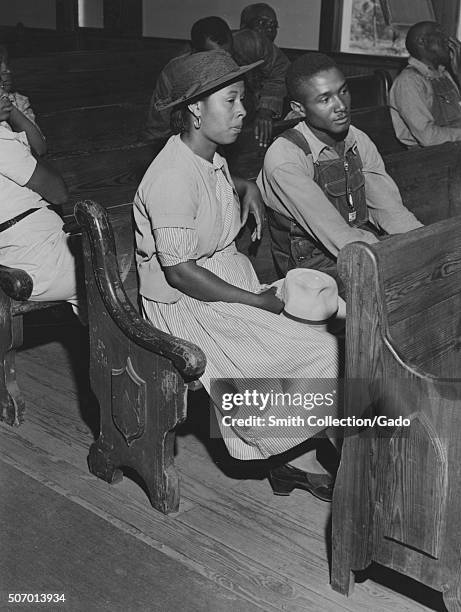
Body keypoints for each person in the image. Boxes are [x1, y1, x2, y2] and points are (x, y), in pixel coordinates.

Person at [134, 50, 342, 501]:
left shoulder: (208, 155)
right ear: (193, 109)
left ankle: (295, 454)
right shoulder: (170, 175)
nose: (243, 111)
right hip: (188, 304)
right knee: (321, 347)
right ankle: (304, 451)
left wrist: (245, 187)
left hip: (225, 280)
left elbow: (214, 188)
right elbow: (181, 272)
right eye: (230, 101)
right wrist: (257, 303)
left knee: (322, 332)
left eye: (242, 99)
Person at [257, 53, 423, 291]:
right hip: (311, 271)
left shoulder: (357, 139)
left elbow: (390, 211)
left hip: (357, 246)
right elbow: (338, 236)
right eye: (324, 99)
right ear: (298, 108)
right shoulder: (286, 158)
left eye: (343, 91)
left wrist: (425, 243)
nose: (341, 106)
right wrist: (398, 262)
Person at [143, 15, 289, 148]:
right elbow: (158, 128)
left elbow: (281, 70)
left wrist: (266, 109)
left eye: (228, 54)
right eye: (217, 57)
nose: (225, 61)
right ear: (196, 51)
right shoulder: (176, 72)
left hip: (250, 117)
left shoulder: (252, 42)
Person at [0, 91, 83, 315]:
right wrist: (27, 155)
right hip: (37, 258)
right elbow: (58, 192)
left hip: (16, 253)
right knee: (115, 264)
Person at [390, 21, 461, 147]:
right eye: (439, 33)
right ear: (422, 41)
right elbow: (428, 138)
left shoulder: (444, 74)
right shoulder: (409, 81)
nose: (448, 39)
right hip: (427, 157)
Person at [0, 45, 43, 139]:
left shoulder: (16, 101)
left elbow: (40, 148)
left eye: (6, 65)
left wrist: (10, 108)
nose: (8, 71)